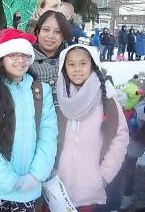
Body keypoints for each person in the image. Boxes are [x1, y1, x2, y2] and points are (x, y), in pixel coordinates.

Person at [0, 28, 58, 212]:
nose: (20, 60)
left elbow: (48, 135)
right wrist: (7, 178)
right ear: (2, 58)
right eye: (13, 55)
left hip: (30, 185)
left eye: (25, 55)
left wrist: (36, 175)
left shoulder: (40, 92)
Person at [53, 44, 129, 212]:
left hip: (89, 188)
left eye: (83, 63)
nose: (77, 69)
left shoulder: (106, 99)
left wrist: (103, 176)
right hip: (58, 187)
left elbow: (120, 138)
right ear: (64, 68)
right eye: (71, 64)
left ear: (93, 65)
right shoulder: (60, 97)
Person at [29, 10, 72, 104]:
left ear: (63, 36)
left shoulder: (73, 58)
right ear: (37, 31)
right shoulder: (26, 60)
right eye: (46, 30)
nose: (50, 36)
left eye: (57, 32)